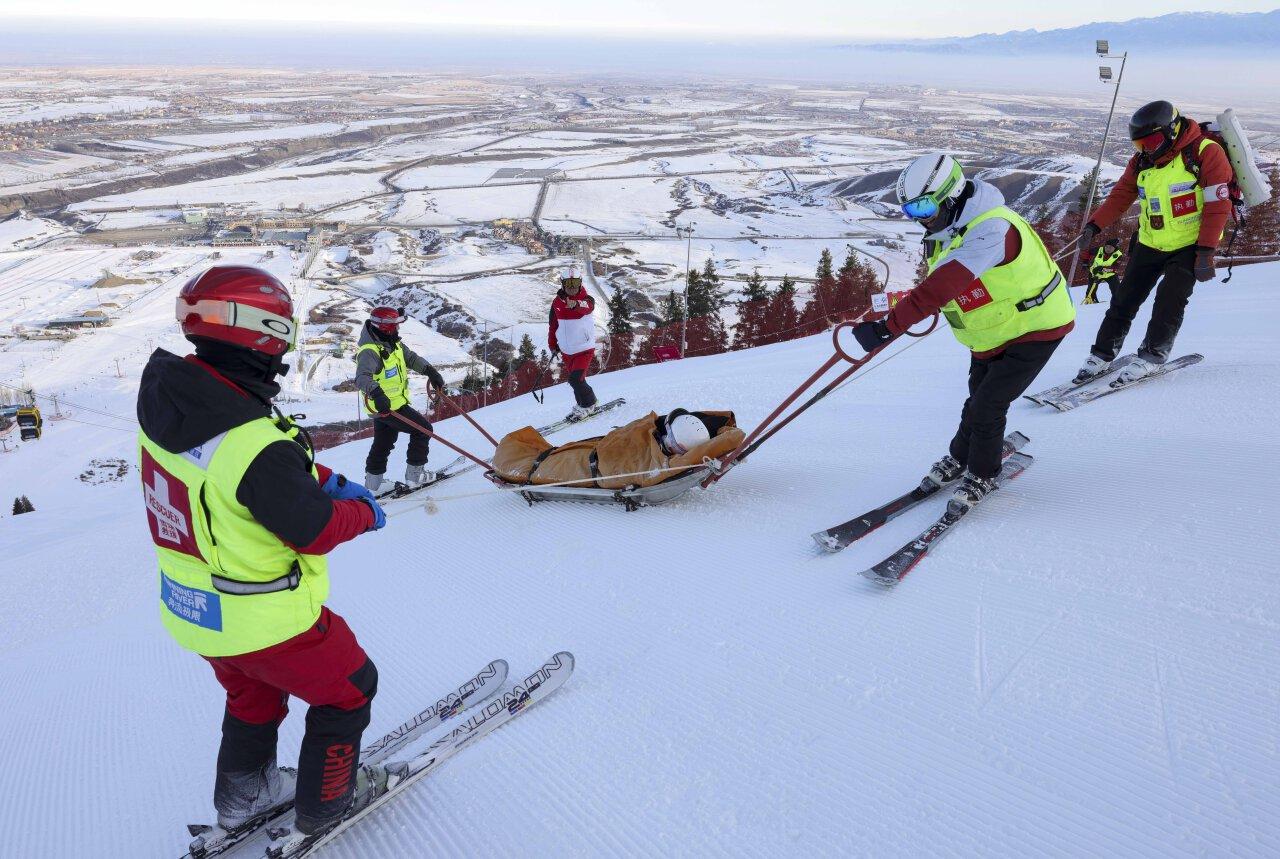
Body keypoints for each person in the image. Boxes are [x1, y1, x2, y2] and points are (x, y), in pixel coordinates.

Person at [137, 265, 387, 839]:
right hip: (261, 614)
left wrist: (312, 474)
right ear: (263, 332)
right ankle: (326, 807)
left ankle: (243, 798)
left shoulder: (173, 400)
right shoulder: (252, 441)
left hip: (196, 608)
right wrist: (363, 512)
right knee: (351, 690)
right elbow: (314, 529)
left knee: (253, 699)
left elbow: (233, 469)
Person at [849, 154, 1075, 510]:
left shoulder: (991, 229)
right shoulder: (947, 228)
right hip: (993, 331)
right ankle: (960, 456)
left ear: (950, 196)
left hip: (1037, 325)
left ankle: (982, 474)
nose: (919, 220)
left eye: (923, 207)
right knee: (976, 399)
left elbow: (943, 284)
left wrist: (889, 327)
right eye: (910, 212)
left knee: (988, 405)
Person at [1072, 100, 1231, 384]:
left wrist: (1206, 251)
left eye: (1151, 141)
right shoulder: (1144, 160)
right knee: (1124, 300)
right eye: (1140, 144)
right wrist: (1094, 226)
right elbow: (1121, 195)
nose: (1146, 148)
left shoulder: (1205, 152)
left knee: (1169, 302)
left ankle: (1152, 355)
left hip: (1189, 245)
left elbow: (1218, 207)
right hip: (1150, 241)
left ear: (1171, 131)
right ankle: (1101, 354)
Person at [491, 407, 743, 490]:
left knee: (550, 461)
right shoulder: (656, 438)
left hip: (596, 463)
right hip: (596, 450)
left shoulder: (658, 463)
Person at [355, 306, 445, 493]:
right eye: (395, 325)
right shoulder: (370, 350)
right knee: (423, 430)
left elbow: (411, 358)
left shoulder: (392, 344)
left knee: (384, 441)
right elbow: (362, 378)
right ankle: (415, 476)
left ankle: (374, 485)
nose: (398, 329)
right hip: (387, 405)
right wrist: (377, 393)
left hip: (386, 406)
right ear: (385, 327)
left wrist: (430, 372)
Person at [548, 266, 599, 421]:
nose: (572, 287)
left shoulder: (586, 300)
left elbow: (587, 307)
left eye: (575, 283)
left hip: (584, 348)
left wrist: (575, 305)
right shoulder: (557, 303)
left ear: (580, 283)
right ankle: (581, 404)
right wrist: (553, 345)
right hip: (566, 350)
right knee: (577, 381)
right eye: (568, 284)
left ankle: (590, 403)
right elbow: (553, 325)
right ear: (562, 284)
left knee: (575, 379)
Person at [1085, 239, 1122, 305]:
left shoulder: (1118, 254)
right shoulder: (1099, 249)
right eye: (1106, 247)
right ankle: (1090, 301)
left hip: (1110, 275)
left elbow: (1115, 267)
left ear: (1114, 248)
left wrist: (1103, 268)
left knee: (1117, 289)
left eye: (1110, 247)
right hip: (1095, 273)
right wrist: (1085, 262)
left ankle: (1118, 303)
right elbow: (1087, 252)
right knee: (1091, 289)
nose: (1108, 249)